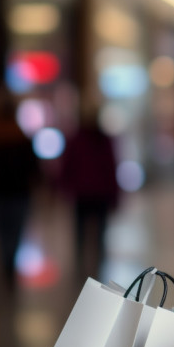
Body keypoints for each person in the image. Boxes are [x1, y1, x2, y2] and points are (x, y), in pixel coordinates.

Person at [0, 88, 40, 287]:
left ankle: (6, 264)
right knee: (15, 230)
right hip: (20, 192)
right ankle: (9, 265)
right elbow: (33, 168)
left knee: (1, 231)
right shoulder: (21, 138)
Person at [60, 108, 120, 281]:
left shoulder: (78, 139)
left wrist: (64, 186)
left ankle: (85, 264)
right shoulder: (100, 140)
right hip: (95, 193)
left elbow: (67, 167)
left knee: (83, 232)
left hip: (84, 194)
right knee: (96, 232)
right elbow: (111, 168)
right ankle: (95, 264)